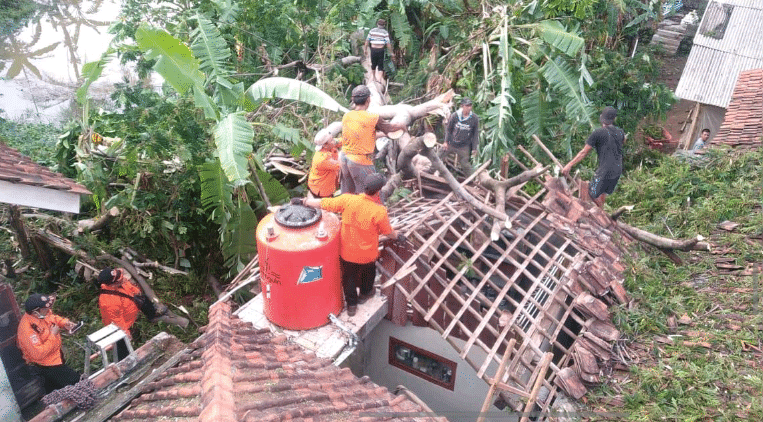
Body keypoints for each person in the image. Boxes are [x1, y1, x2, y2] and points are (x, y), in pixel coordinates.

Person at [296, 173, 403, 317]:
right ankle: (365, 294)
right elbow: (387, 232)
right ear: (378, 191)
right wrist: (398, 235)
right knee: (368, 274)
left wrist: (303, 201)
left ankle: (351, 305)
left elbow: (323, 203)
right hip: (367, 255)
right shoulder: (379, 211)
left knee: (349, 279)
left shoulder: (348, 200)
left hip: (347, 253)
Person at [340, 85, 405, 194]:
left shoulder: (347, 116)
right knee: (369, 195)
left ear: (353, 100)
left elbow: (363, 134)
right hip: (360, 161)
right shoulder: (373, 117)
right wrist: (401, 125)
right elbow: (389, 129)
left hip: (344, 159)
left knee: (348, 196)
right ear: (368, 99)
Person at [562, 106, 625, 208]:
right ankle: (600, 213)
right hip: (618, 169)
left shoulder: (598, 133)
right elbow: (623, 141)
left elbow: (584, 152)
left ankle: (602, 215)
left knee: (591, 193)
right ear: (614, 119)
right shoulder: (620, 132)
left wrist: (569, 165)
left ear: (601, 118)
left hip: (606, 169)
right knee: (603, 193)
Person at [16, 293, 81, 393]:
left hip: (56, 356)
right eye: (45, 309)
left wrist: (64, 323)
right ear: (35, 312)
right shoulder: (27, 330)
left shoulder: (42, 313)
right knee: (78, 383)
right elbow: (39, 354)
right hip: (46, 366)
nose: (48, 311)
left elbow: (52, 318)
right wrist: (53, 335)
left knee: (63, 389)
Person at [97, 267, 146, 361]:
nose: (123, 278)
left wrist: (137, 292)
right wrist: (126, 333)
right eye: (119, 279)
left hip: (133, 319)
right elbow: (117, 321)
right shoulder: (109, 302)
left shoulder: (119, 282)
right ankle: (125, 367)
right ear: (112, 284)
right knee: (123, 349)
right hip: (121, 327)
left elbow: (131, 289)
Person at [440, 97, 480, 176]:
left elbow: (475, 134)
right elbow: (449, 129)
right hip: (452, 142)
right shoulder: (455, 115)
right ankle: (429, 172)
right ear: (462, 106)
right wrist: (445, 142)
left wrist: (474, 148)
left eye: (470, 105)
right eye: (467, 106)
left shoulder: (474, 118)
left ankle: (471, 181)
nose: (469, 108)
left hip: (464, 145)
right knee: (439, 155)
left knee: (465, 163)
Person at [307, 131, 341, 198]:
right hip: (322, 189)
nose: (334, 141)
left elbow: (339, 141)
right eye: (332, 140)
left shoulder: (328, 146)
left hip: (321, 184)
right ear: (325, 145)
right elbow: (340, 164)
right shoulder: (322, 159)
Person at [364, 19, 393, 83]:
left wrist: (365, 49)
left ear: (377, 24)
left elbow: (367, 41)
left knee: (373, 64)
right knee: (380, 65)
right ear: (384, 25)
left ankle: (374, 78)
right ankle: (379, 79)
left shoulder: (372, 31)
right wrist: (391, 52)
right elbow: (388, 44)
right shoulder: (385, 32)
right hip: (380, 50)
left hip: (373, 49)